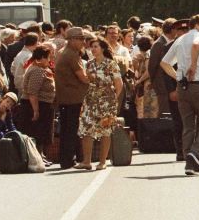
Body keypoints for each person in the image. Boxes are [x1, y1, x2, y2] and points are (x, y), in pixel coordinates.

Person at [162, 14, 199, 175]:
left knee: (188, 125)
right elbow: (196, 46)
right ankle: (195, 152)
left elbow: (164, 63)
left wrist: (178, 76)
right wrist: (192, 65)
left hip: (182, 87)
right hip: (198, 85)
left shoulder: (179, 39)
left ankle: (188, 161)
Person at [77, 35, 123, 170]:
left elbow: (118, 84)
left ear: (103, 48)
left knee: (105, 130)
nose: (93, 49)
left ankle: (102, 161)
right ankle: (86, 161)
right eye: (91, 47)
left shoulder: (111, 64)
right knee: (86, 129)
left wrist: (113, 99)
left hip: (106, 101)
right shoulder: (89, 64)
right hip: (90, 100)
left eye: (96, 46)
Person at [55, 27, 89, 169]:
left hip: (67, 97)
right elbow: (83, 78)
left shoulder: (66, 52)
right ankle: (68, 159)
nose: (83, 42)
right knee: (71, 129)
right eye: (81, 39)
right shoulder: (71, 55)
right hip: (72, 97)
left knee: (68, 129)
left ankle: (69, 158)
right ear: (73, 40)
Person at [19, 44, 56, 150]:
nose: (49, 60)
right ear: (42, 58)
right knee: (37, 132)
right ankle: (37, 156)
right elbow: (33, 93)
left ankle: (41, 154)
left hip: (44, 105)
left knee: (42, 133)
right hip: (36, 105)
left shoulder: (43, 69)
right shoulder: (36, 70)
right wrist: (36, 111)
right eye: (48, 58)